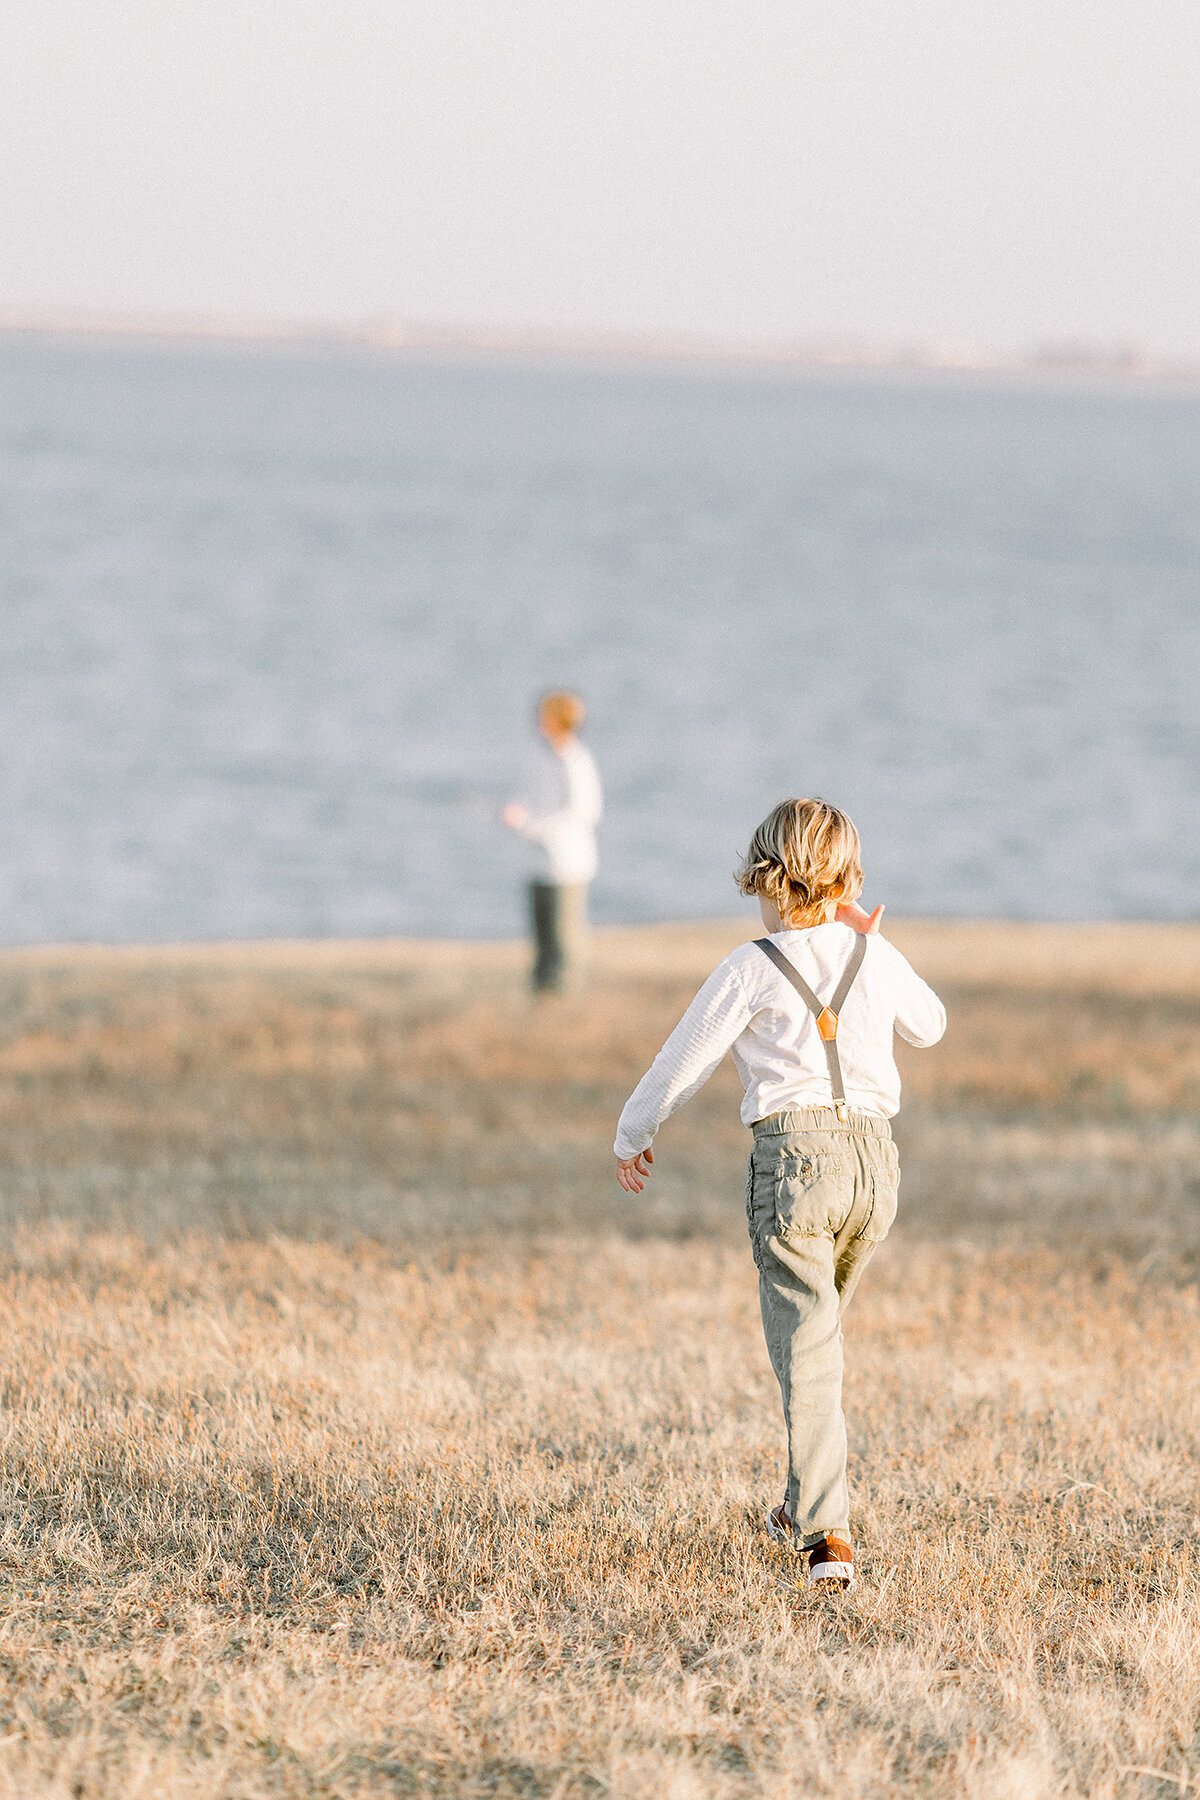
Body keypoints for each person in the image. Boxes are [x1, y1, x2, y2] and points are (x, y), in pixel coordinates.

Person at [612, 797, 945, 1590]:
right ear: (848, 878)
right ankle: (800, 1505)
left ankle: (829, 1538)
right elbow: (929, 1026)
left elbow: (681, 1062)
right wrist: (875, 938)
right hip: (875, 1173)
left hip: (796, 1165)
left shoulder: (750, 965)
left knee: (806, 1352)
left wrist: (633, 1133)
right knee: (817, 1345)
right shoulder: (875, 954)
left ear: (764, 875)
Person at [502, 691, 603, 994]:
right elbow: (529, 797)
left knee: (564, 944)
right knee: (542, 942)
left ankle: (564, 1003)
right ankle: (540, 1000)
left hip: (567, 866)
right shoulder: (538, 757)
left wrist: (536, 827)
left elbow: (584, 811)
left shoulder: (575, 761)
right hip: (537, 864)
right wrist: (518, 813)